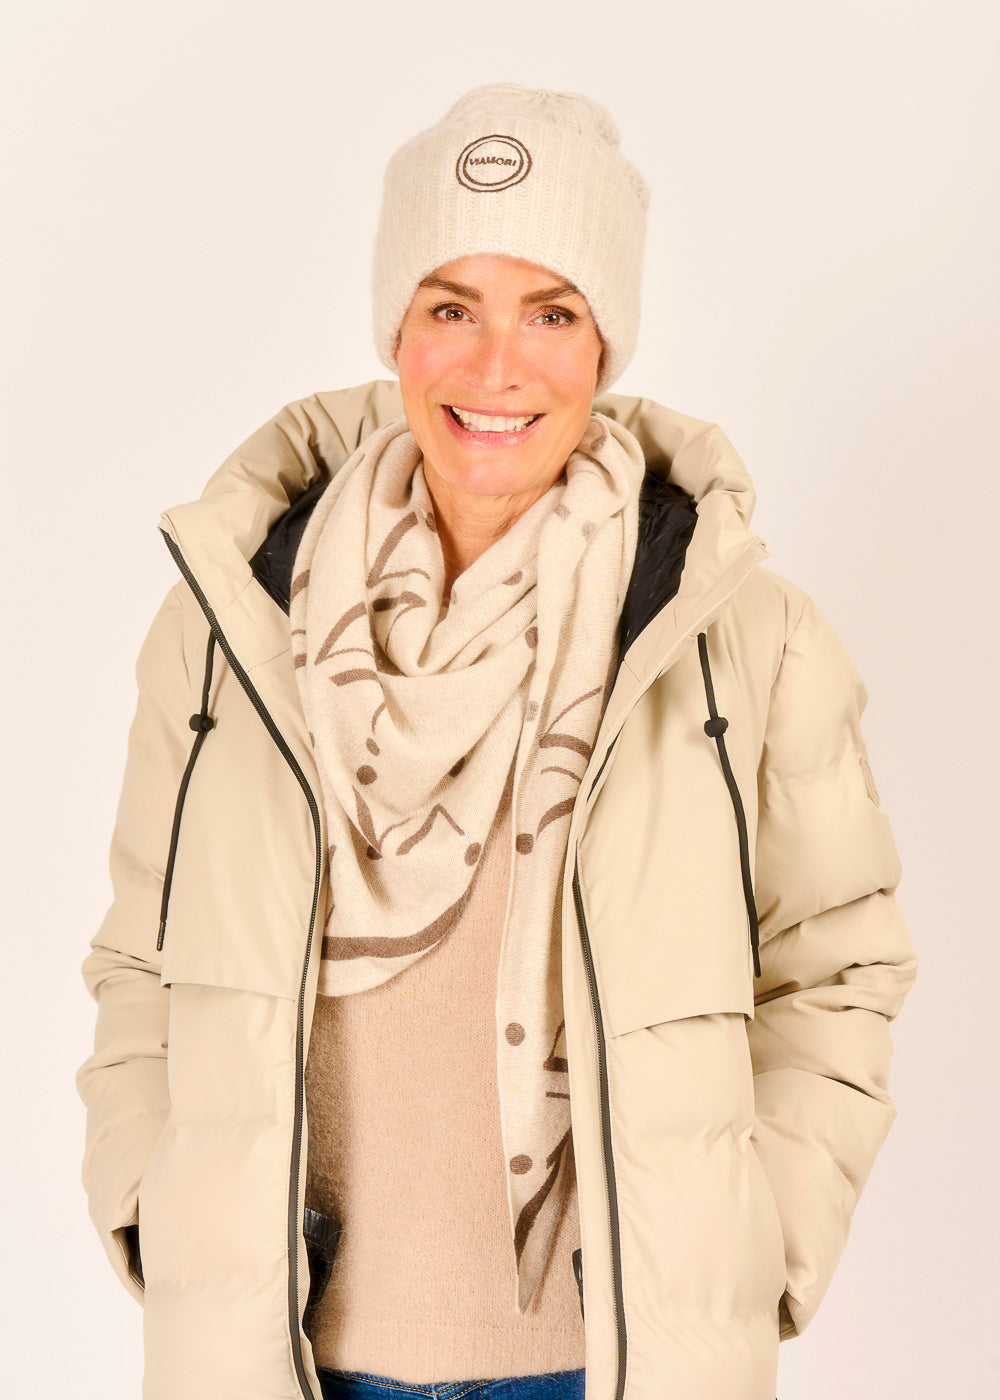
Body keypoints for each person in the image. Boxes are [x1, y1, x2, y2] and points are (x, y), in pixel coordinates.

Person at [75, 84, 917, 1400]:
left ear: (606, 343)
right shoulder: (232, 622)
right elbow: (141, 959)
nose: (495, 369)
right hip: (281, 1359)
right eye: (452, 307)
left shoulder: (737, 635)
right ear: (396, 328)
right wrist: (154, 1205)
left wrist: (756, 1244)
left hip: (607, 1366)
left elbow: (839, 966)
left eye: (553, 313)